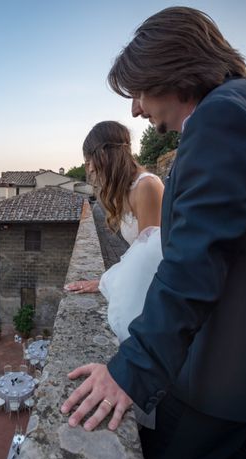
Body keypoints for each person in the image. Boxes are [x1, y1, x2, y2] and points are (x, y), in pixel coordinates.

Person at [61, 7, 246, 459]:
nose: (135, 109)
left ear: (171, 71)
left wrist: (130, 369)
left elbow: (194, 263)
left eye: (139, 91)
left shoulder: (221, 119)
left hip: (230, 368)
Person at [65, 120, 164, 344]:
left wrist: (106, 282)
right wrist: (103, 281)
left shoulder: (147, 186)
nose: (89, 169)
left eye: (89, 160)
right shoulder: (128, 188)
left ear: (105, 155)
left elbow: (149, 264)